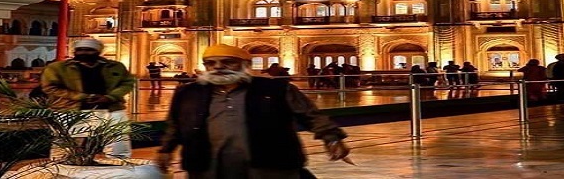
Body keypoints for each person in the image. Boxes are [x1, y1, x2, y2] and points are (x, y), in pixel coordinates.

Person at [156, 44, 350, 178]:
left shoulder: (276, 89)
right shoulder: (188, 92)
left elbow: (311, 116)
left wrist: (332, 137)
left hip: (270, 165)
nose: (218, 67)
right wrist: (166, 149)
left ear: (245, 65)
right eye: (210, 63)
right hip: (207, 166)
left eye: (228, 62)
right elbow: (175, 124)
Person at [40, 37, 136, 158]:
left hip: (110, 108)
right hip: (71, 109)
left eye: (89, 50)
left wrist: (110, 97)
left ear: (98, 51)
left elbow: (127, 83)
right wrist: (83, 97)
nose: (83, 53)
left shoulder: (115, 66)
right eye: (80, 50)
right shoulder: (58, 68)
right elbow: (50, 87)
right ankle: (61, 165)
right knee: (67, 142)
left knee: (118, 139)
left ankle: (119, 164)